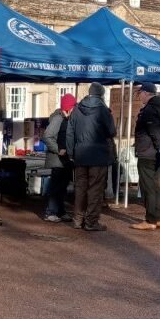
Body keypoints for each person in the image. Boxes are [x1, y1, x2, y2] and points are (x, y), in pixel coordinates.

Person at [66, 83, 117, 232]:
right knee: (95, 188)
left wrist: (71, 153)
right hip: (98, 155)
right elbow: (112, 131)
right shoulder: (103, 110)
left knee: (80, 187)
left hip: (80, 155)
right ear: (101, 94)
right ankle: (91, 222)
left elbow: (70, 133)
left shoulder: (76, 110)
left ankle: (77, 219)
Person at [131, 82, 160, 230]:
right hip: (157, 153)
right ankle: (159, 218)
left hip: (148, 153)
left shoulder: (150, 110)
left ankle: (150, 220)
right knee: (156, 186)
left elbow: (154, 131)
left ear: (146, 93)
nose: (140, 96)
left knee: (148, 187)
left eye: (140, 93)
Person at [42, 93, 77, 223]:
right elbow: (47, 136)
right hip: (57, 159)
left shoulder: (66, 118)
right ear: (68, 108)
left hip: (64, 159)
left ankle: (61, 211)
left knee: (62, 186)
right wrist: (58, 149)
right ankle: (50, 212)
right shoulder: (58, 118)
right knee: (56, 186)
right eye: (73, 107)